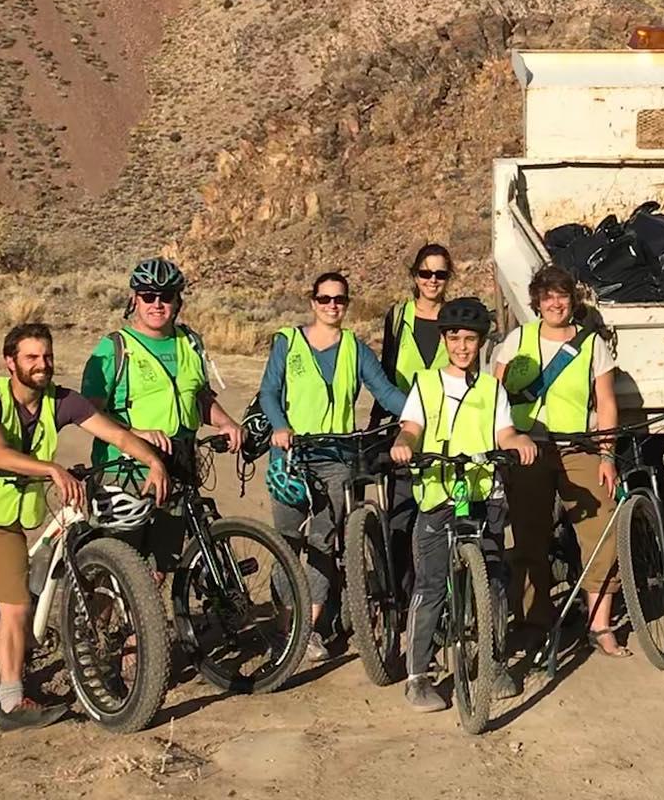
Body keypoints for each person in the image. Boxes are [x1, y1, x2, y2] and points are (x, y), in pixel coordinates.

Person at [0, 323, 171, 732]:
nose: (41, 365)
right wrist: (52, 469)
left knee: (16, 606)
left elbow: (112, 431)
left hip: (5, 514)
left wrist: (152, 461)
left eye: (46, 357)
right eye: (31, 357)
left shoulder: (61, 401)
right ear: (10, 362)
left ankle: (11, 701)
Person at [390, 297, 538, 712]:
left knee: (492, 579)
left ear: (481, 343)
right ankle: (417, 675)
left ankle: (493, 662)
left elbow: (504, 431)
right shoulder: (427, 383)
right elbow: (412, 426)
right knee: (432, 584)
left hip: (482, 492)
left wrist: (519, 441)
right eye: (454, 338)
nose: (462, 346)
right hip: (439, 493)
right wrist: (404, 443)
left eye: (470, 339)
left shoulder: (492, 389)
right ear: (445, 340)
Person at [258, 271, 412, 661]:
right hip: (291, 456)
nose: (332, 306)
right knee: (287, 540)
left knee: (324, 542)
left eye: (339, 300)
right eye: (325, 299)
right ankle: (285, 623)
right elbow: (269, 392)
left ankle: (307, 629)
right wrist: (279, 426)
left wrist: (424, 411)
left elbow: (385, 391)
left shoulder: (355, 350)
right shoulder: (288, 342)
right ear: (312, 302)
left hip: (337, 458)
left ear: (346, 304)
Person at [493, 264, 623, 657]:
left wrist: (607, 455)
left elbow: (606, 403)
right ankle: (535, 623)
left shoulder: (591, 344)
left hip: (578, 447)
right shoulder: (519, 339)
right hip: (528, 448)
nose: (555, 303)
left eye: (561, 295)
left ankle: (599, 626)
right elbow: (494, 395)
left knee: (602, 531)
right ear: (536, 301)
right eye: (547, 296)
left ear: (572, 300)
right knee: (529, 538)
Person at [81, 258, 243, 572]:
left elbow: (198, 398)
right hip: (126, 471)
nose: (158, 304)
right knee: (116, 568)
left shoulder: (190, 343)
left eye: (166, 296)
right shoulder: (115, 347)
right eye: (148, 296)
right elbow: (89, 412)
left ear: (178, 301)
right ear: (134, 299)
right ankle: (99, 622)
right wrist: (135, 432)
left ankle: (150, 622)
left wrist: (225, 422)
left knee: (161, 565)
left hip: (179, 467)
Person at [372, 244, 453, 421]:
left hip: (447, 422)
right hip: (402, 420)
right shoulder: (398, 316)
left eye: (440, 274)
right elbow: (387, 370)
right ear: (415, 276)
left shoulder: (455, 319)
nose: (433, 280)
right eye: (425, 273)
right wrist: (376, 420)